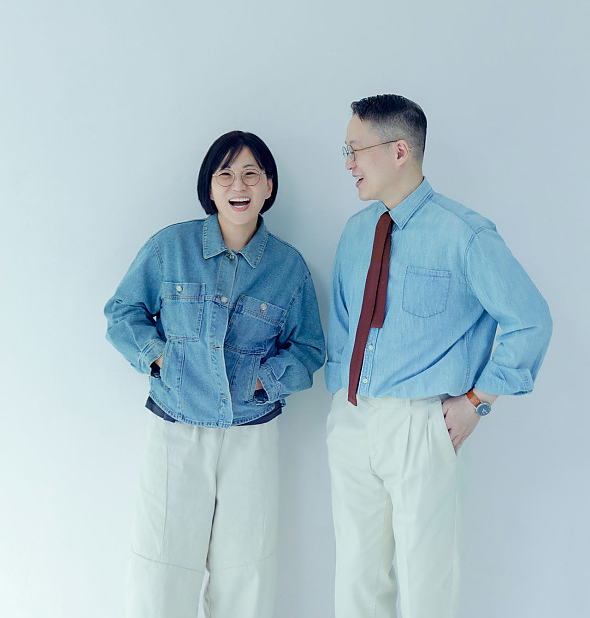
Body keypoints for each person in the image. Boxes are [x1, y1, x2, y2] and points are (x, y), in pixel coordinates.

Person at [326, 94, 552, 618]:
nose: (349, 163)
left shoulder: (464, 233)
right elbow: (343, 324)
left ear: (399, 150)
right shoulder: (356, 232)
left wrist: (478, 400)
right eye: (346, 150)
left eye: (357, 149)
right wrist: (342, 402)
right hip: (353, 422)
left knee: (427, 581)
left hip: (423, 425)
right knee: (356, 579)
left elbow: (531, 320)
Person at [104, 130, 325, 618]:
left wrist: (261, 381)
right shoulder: (170, 248)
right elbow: (122, 313)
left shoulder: (288, 268)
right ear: (209, 186)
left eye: (250, 173)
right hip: (175, 430)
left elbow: (310, 349)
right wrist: (161, 360)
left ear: (269, 186)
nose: (238, 185)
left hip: (251, 436)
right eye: (225, 174)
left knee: (246, 575)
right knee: (160, 573)